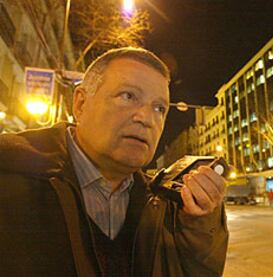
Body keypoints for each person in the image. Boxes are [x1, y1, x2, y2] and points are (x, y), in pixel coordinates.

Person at [0, 47, 228, 276]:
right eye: (128, 96)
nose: (147, 119)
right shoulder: (11, 173)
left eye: (159, 108)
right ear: (80, 104)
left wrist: (198, 224)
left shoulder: (164, 204)